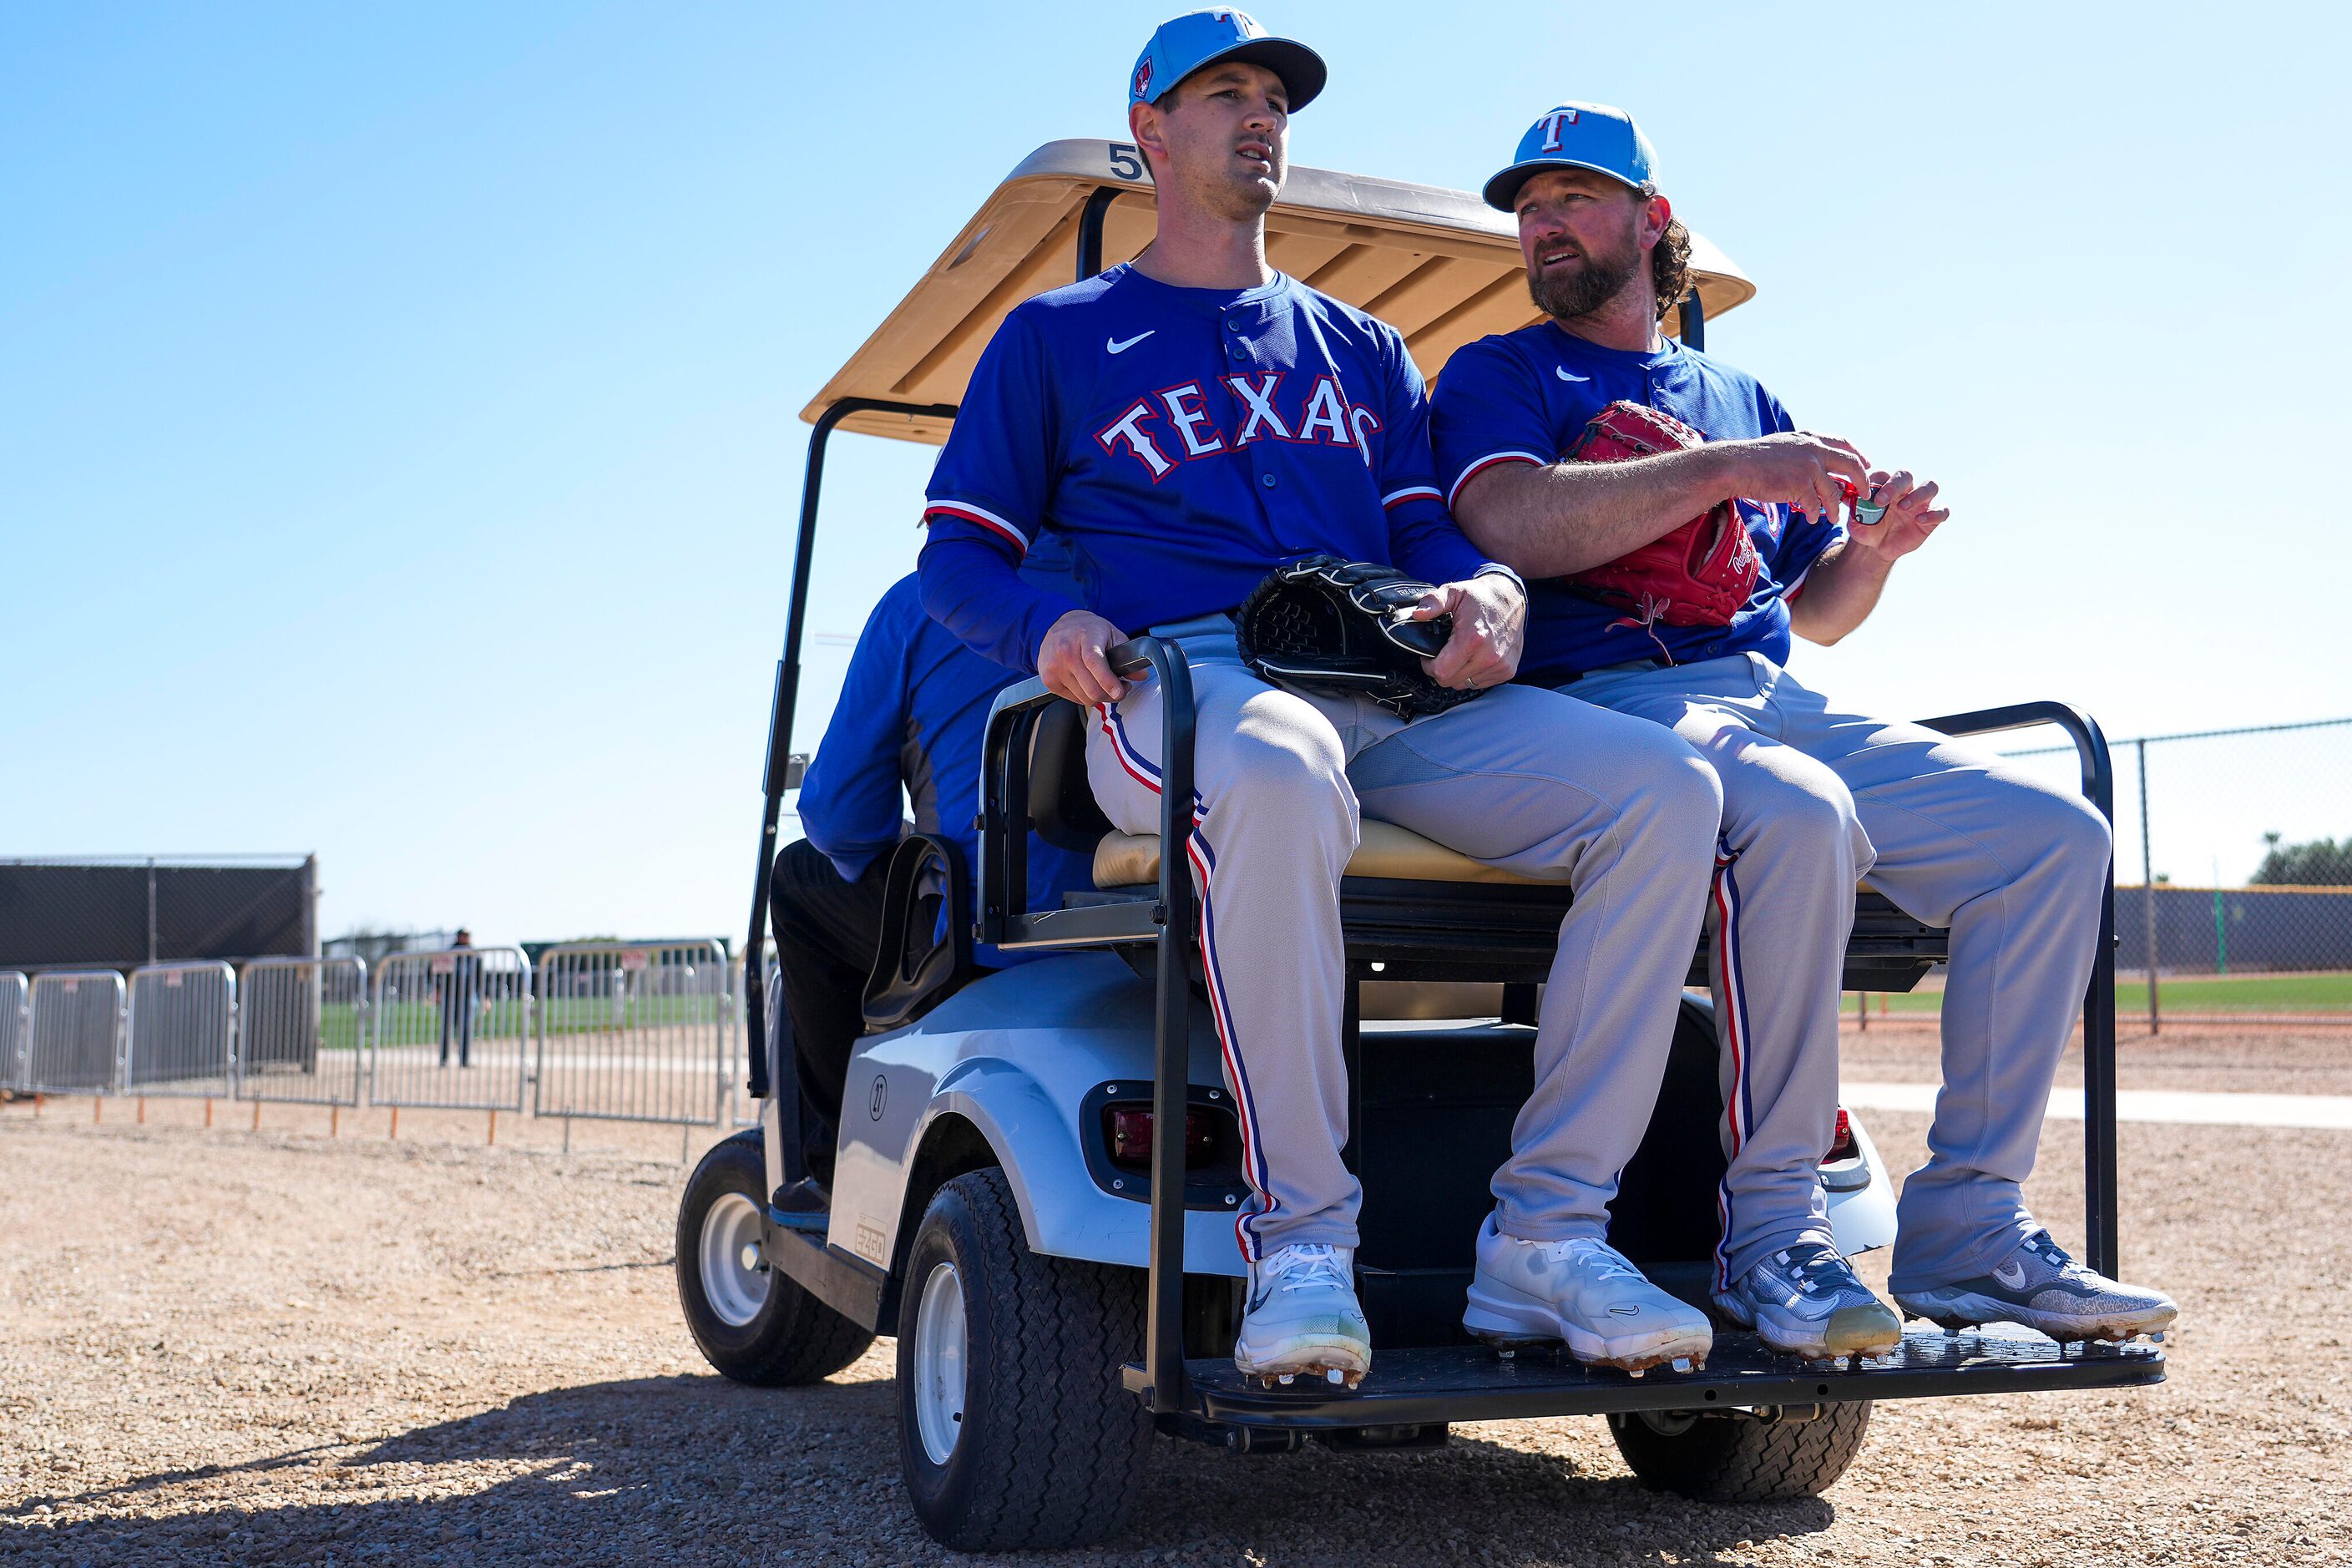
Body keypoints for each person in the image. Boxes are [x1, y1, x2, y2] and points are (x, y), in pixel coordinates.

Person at [918, 10, 1734, 1387]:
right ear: (1150, 134)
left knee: (1663, 791)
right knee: (1286, 761)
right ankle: (1300, 1239)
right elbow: (956, 561)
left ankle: (1546, 1232)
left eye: (1276, 98)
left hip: (1384, 685)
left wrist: (1488, 594)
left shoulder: (1360, 346)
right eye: (1224, 92)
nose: (1260, 116)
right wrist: (1042, 619)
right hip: (1176, 682)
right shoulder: (1051, 337)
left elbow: (1429, 542)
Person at [1432, 102, 2176, 1348]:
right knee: (1801, 810)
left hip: (1774, 693)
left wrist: (1875, 554)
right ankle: (1775, 1236)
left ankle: (1967, 1231)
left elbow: (1812, 611)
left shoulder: (1736, 388)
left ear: (1651, 221)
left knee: (2053, 836)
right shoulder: (1504, 372)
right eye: (1528, 207)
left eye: (1572, 198)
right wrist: (1728, 468)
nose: (1542, 225)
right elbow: (1510, 524)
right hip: (1609, 704)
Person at [769, 572, 1093, 1225]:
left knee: (799, 877)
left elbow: (839, 821)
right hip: (1143, 920)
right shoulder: (1134, 573)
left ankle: (835, 1169)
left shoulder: (924, 603)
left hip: (985, 932)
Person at [436, 928, 477, 1069]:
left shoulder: (474, 954)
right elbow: (436, 972)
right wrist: (437, 990)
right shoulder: (449, 953)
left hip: (467, 997)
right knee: (447, 1028)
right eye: (464, 935)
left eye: (468, 935)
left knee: (466, 1028)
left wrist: (485, 996)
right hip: (449, 996)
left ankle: (464, 1060)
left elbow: (481, 976)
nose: (466, 938)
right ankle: (444, 1059)